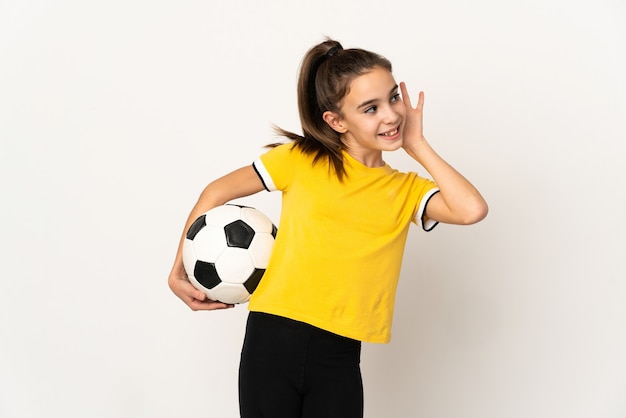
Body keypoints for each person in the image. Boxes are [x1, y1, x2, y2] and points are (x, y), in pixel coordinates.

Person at [168, 38, 488, 418]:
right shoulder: (302, 160)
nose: (390, 115)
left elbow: (472, 209)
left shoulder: (405, 190)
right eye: (371, 108)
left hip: (340, 354)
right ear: (336, 121)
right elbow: (216, 191)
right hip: (271, 340)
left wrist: (417, 145)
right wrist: (180, 269)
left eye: (393, 99)